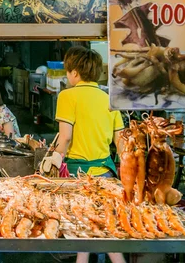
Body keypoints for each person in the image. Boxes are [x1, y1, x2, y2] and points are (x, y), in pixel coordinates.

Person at [42, 46, 125, 263]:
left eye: (67, 71)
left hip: (79, 176)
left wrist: (55, 158)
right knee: (106, 227)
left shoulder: (68, 96)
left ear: (75, 72)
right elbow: (122, 143)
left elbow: (65, 137)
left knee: (82, 227)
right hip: (107, 175)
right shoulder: (109, 99)